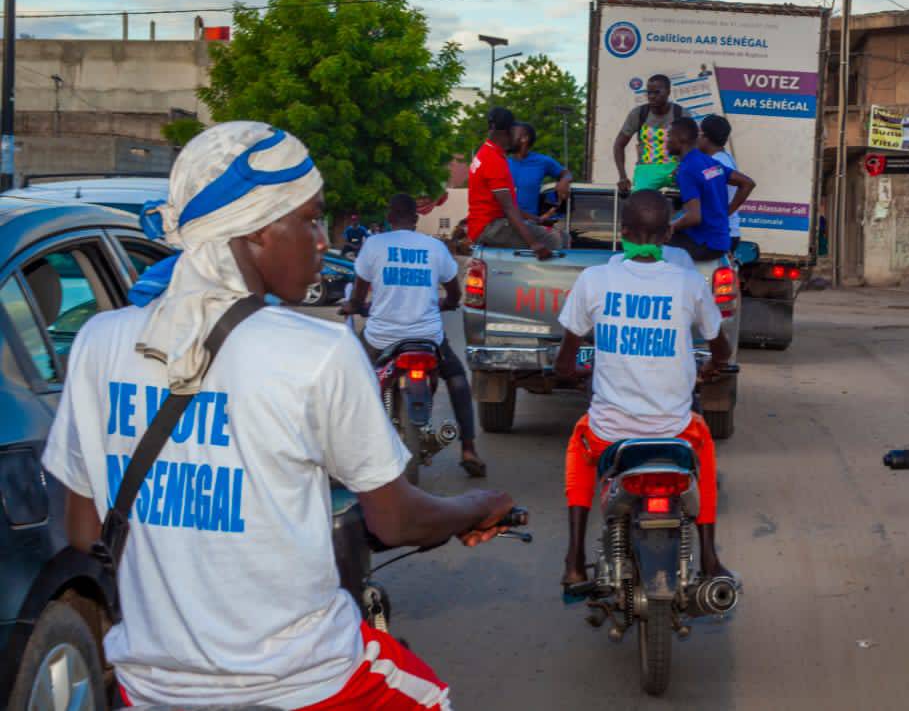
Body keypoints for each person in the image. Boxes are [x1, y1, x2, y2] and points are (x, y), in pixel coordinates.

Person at [40, 122, 515, 710]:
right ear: (259, 230)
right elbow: (396, 522)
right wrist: (476, 506)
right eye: (311, 219)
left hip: (153, 688)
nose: (322, 240)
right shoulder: (319, 349)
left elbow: (86, 532)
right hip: (307, 682)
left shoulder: (98, 341)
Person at [555, 190, 733, 588]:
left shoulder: (594, 280)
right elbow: (720, 346)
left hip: (609, 435)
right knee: (704, 450)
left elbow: (564, 363)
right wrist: (713, 365)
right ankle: (709, 557)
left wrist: (575, 373)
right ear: (667, 235)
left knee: (578, 449)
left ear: (623, 233)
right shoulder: (689, 283)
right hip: (675, 432)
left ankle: (573, 560)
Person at [345, 192, 487, 477]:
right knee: (458, 380)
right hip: (427, 338)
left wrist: (357, 306)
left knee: (352, 373)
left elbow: (360, 295)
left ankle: (350, 449)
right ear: (416, 218)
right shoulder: (434, 247)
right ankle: (469, 447)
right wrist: (446, 304)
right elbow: (454, 292)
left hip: (381, 338)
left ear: (388, 217)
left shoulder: (373, 245)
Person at [468, 106, 553, 259]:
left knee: (536, 231)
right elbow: (508, 208)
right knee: (556, 239)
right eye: (515, 130)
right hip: (491, 228)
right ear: (507, 131)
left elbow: (500, 204)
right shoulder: (494, 160)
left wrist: (535, 219)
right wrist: (534, 244)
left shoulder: (485, 152)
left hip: (482, 226)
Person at [665, 117, 755, 261]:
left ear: (681, 138)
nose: (665, 141)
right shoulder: (710, 162)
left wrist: (669, 228)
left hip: (707, 243)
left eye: (668, 136)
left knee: (655, 240)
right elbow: (748, 183)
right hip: (721, 239)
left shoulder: (688, 168)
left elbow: (694, 217)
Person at [613, 74, 683, 193]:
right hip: (646, 170)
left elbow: (692, 146)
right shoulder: (639, 114)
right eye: (649, 93)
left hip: (674, 168)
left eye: (657, 92)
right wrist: (622, 177)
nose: (652, 96)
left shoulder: (680, 114)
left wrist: (683, 167)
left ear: (668, 92)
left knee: (692, 197)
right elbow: (619, 145)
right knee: (639, 204)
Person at [508, 121, 572, 220]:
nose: (509, 138)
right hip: (504, 223)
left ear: (524, 138)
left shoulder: (542, 161)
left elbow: (566, 173)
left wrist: (564, 181)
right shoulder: (501, 162)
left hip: (529, 224)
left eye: (512, 134)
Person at [697, 114, 742, 251]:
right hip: (725, 231)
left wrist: (725, 213)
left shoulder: (718, 163)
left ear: (705, 137)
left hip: (720, 233)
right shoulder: (723, 158)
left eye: (698, 133)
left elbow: (747, 184)